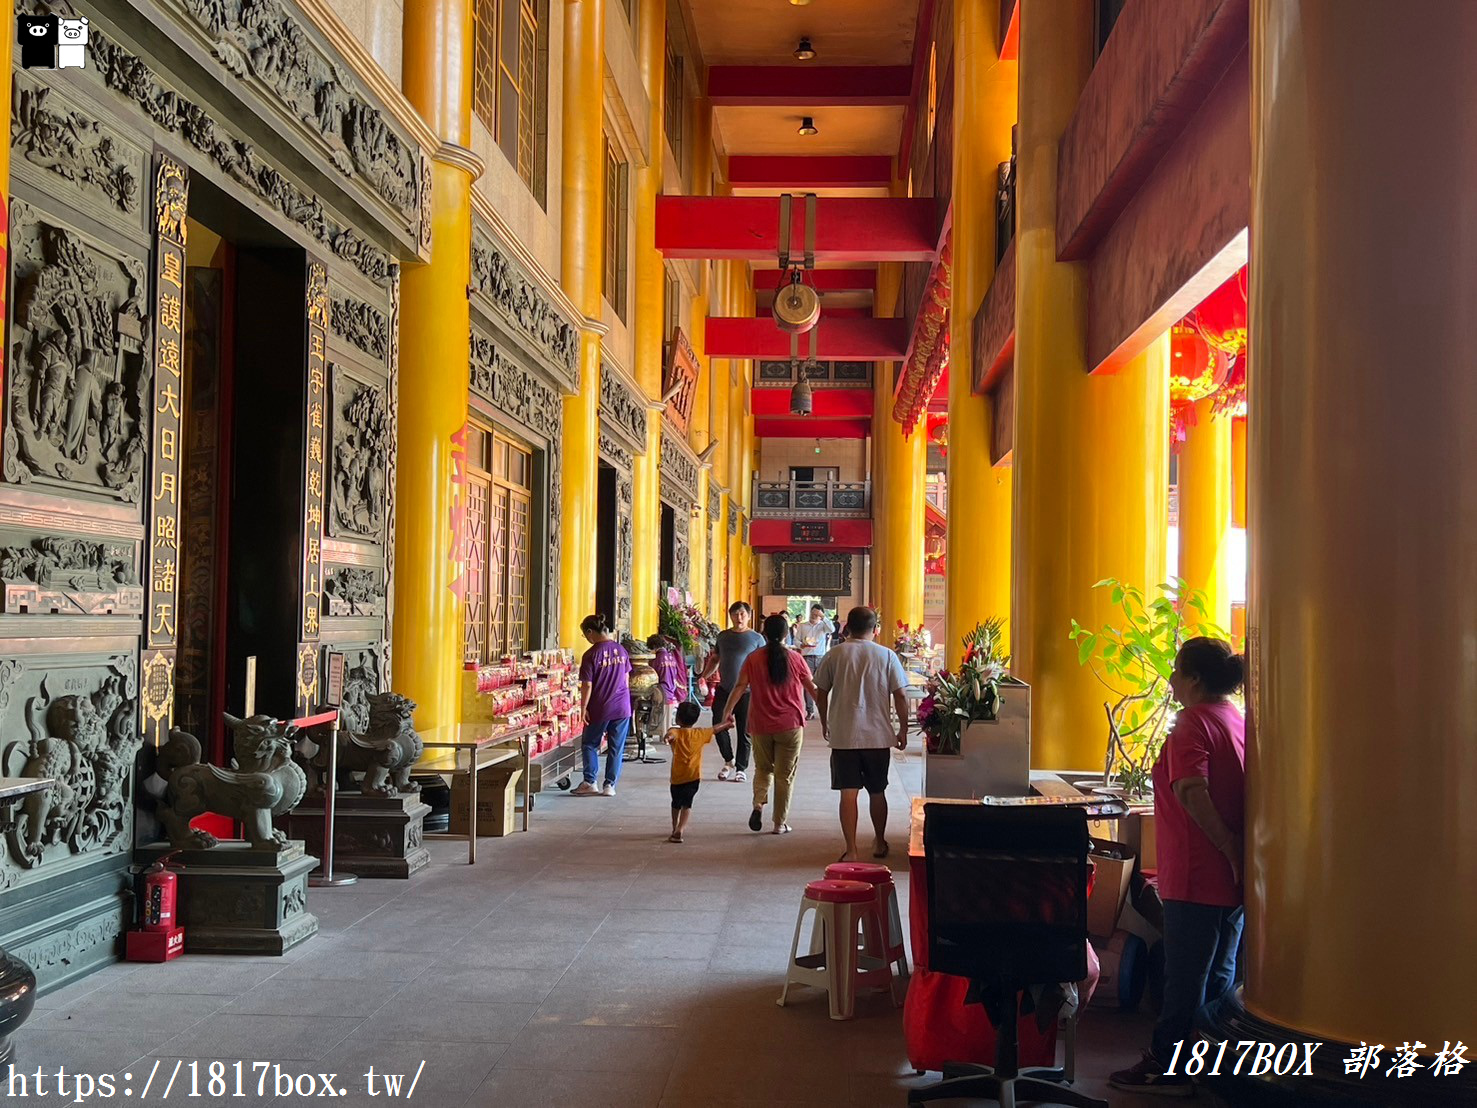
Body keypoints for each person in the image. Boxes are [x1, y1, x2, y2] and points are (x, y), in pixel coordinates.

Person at [1110, 637, 1247, 1096]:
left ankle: (1168, 1066)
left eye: (1176, 670)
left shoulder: (1192, 723)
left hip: (1196, 874)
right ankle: (1202, 1068)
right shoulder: (1236, 720)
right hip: (1230, 880)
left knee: (1186, 977)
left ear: (1193, 679)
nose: (1170, 678)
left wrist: (1226, 847)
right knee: (1219, 976)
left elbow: (1191, 788)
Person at [813, 606, 909, 862]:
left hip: (844, 736)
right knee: (878, 791)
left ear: (847, 628)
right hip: (877, 736)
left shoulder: (834, 655)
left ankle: (852, 849)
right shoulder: (887, 656)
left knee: (848, 793)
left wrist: (824, 722)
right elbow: (900, 695)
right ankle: (879, 841)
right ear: (875, 629)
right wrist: (903, 729)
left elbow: (821, 694)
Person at [720, 613, 818, 835]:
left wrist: (727, 712)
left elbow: (739, 686)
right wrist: (828, 717)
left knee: (763, 769)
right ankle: (779, 823)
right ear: (787, 634)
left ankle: (757, 804)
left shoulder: (753, 658)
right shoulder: (796, 659)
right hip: (790, 724)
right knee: (785, 775)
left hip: (761, 723)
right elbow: (812, 689)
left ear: (764, 633)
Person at [698, 601, 764, 782]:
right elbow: (715, 659)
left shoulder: (757, 638)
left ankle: (741, 768)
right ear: (730, 616)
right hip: (725, 688)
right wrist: (703, 675)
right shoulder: (723, 637)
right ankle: (729, 760)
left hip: (747, 691)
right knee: (718, 725)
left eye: (742, 614)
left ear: (749, 615)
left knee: (744, 730)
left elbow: (763, 665)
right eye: (735, 614)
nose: (739, 617)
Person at [573, 613, 632, 797]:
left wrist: (583, 709)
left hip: (601, 707)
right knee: (616, 747)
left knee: (590, 743)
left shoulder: (591, 654)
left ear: (590, 632)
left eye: (585, 635)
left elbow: (587, 685)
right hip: (622, 706)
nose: (587, 639)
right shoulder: (621, 650)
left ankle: (590, 781)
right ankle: (610, 786)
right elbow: (626, 678)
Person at [663, 700, 724, 843]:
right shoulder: (700, 733)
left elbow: (671, 735)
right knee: (687, 804)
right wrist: (728, 723)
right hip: (693, 777)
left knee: (675, 803)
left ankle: (674, 827)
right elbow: (715, 729)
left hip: (677, 777)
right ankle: (681, 829)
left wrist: (667, 739)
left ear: (677, 718)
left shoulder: (675, 731)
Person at [793, 603, 835, 719]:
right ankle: (810, 710)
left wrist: (823, 617)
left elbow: (832, 629)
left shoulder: (823, 626)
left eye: (817, 614)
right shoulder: (803, 626)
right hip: (807, 657)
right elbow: (796, 640)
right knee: (808, 684)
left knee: (822, 685)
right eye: (813, 613)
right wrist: (802, 645)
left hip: (821, 657)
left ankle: (822, 708)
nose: (814, 615)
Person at [647, 633, 688, 735]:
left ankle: (651, 731)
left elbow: (653, 676)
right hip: (672, 690)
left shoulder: (656, 658)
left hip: (661, 691)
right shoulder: (671, 657)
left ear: (654, 646)